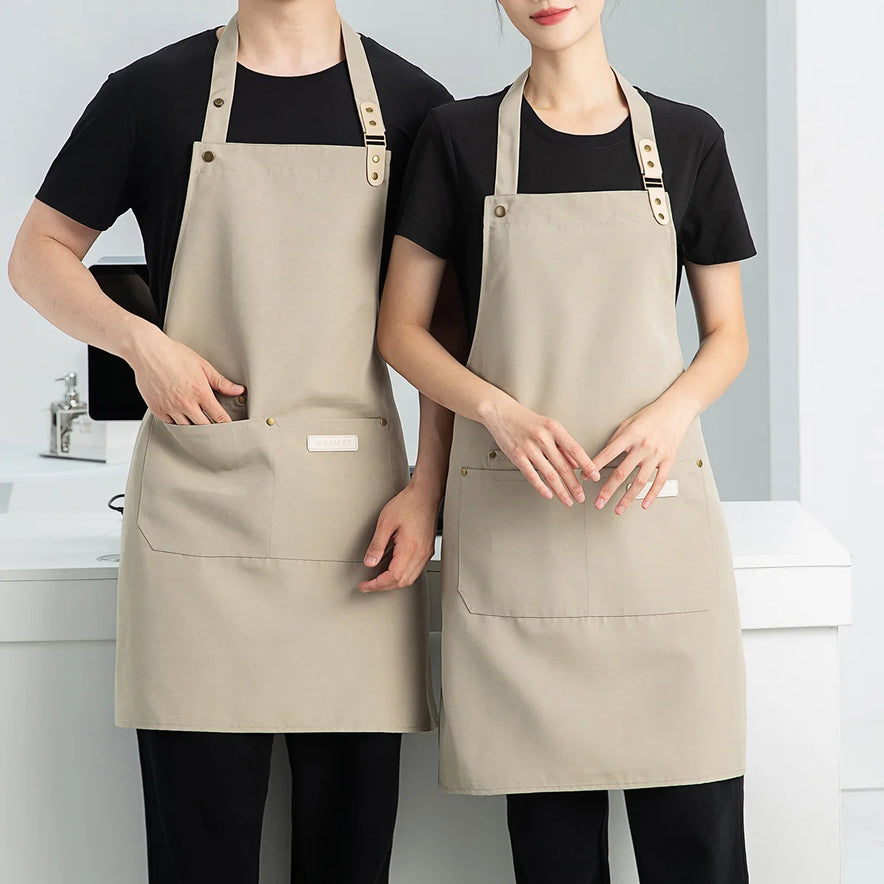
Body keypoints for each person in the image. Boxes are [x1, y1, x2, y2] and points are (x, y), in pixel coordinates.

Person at [8, 1, 455, 881]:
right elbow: (37, 253)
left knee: (350, 856)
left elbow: (446, 324)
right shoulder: (150, 94)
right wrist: (141, 344)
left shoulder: (415, 107)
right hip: (201, 519)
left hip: (356, 529)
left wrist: (428, 489)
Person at [378, 1, 756, 881]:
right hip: (523, 540)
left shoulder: (690, 140)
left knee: (699, 846)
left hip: (653, 534)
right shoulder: (458, 138)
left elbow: (728, 335)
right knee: (553, 856)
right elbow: (401, 330)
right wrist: (497, 412)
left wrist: (671, 413)